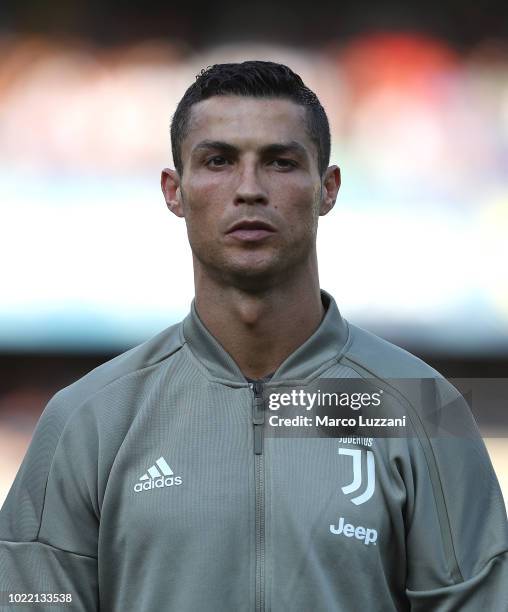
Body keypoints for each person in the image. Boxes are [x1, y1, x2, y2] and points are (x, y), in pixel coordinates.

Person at [1, 60, 507, 611]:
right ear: (174, 190)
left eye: (280, 162)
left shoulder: (424, 409)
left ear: (328, 188)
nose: (249, 189)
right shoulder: (88, 421)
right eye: (218, 161)